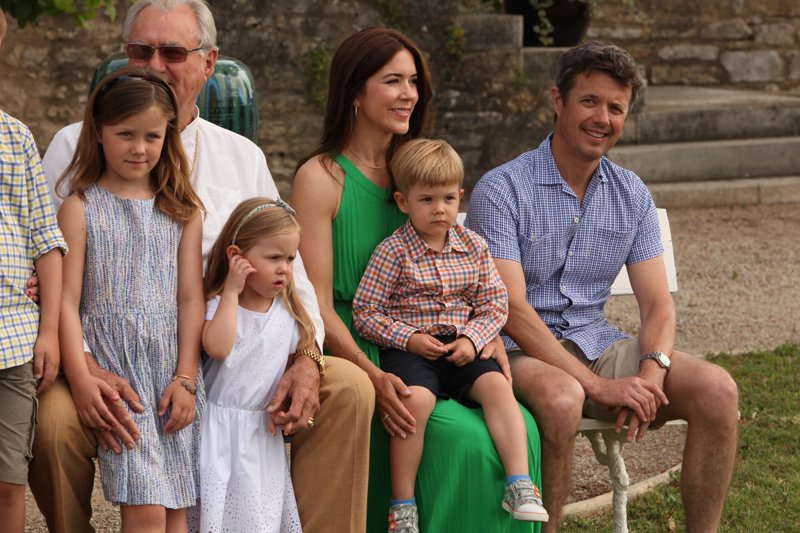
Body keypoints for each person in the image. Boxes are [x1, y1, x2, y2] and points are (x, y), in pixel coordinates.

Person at [30, 2, 374, 532]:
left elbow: (293, 270)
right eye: (140, 50)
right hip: (106, 352)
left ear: (209, 62)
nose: (154, 64)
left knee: (348, 389)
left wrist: (308, 354)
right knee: (53, 423)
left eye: (172, 52)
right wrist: (84, 366)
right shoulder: (72, 146)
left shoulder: (241, 156)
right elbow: (44, 264)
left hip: (227, 354)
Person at [467, 40, 739, 531]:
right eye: (589, 101)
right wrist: (597, 386)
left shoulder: (630, 193)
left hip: (597, 342)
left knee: (717, 389)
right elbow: (512, 309)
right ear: (558, 101)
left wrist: (651, 374)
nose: (602, 119)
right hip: (519, 350)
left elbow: (657, 305)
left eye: (616, 108)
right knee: (564, 397)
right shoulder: (503, 189)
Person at [293, 27, 542, 533]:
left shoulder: (421, 172)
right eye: (393, 81)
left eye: (413, 82)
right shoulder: (321, 177)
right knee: (463, 442)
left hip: (447, 344)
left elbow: (466, 276)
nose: (409, 94)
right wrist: (371, 373)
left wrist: (484, 333)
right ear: (354, 92)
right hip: (358, 345)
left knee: (522, 429)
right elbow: (312, 300)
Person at [352, 139, 549, 531]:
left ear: (460, 195)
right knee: (415, 402)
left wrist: (474, 339)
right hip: (411, 349)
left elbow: (495, 303)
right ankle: (402, 505)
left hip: (462, 345)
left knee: (497, 387)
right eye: (426, 200)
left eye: (447, 198)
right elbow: (365, 312)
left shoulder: (474, 247)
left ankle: (519, 484)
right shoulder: (393, 252)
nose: (439, 209)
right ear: (403, 202)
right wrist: (408, 338)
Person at [56, 67, 206, 532]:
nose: (139, 148)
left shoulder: (182, 210)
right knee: (145, 509)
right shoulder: (80, 208)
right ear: (99, 133)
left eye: (152, 136)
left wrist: (186, 379)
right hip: (116, 375)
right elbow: (65, 302)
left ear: (168, 137)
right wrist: (81, 378)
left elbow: (190, 299)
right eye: (125, 134)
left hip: (169, 374)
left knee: (178, 508)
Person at [188, 197, 310, 532]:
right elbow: (217, 347)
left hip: (259, 436)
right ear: (236, 256)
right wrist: (231, 291)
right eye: (273, 258)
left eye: (290, 258)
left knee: (258, 516)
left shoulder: (289, 314)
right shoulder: (220, 304)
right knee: (215, 515)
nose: (284, 268)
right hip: (216, 433)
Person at [0, 11, 67, 532]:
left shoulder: (15, 137)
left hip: (12, 338)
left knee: (7, 480)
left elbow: (46, 238)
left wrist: (48, 332)